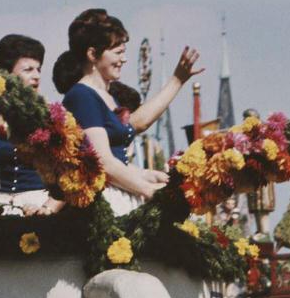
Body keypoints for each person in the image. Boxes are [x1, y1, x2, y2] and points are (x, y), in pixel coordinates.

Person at [55, 12, 199, 213]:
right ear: (92, 54)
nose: (124, 59)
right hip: (105, 202)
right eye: (118, 52)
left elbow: (120, 154)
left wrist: (145, 174)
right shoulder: (82, 96)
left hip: (121, 193)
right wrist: (151, 192)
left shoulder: (105, 96)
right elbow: (102, 161)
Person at [0, 40, 62, 216]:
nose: (37, 76)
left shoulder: (50, 118)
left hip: (37, 204)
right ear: (6, 75)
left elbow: (71, 177)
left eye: (38, 69)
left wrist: (47, 208)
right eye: (28, 70)